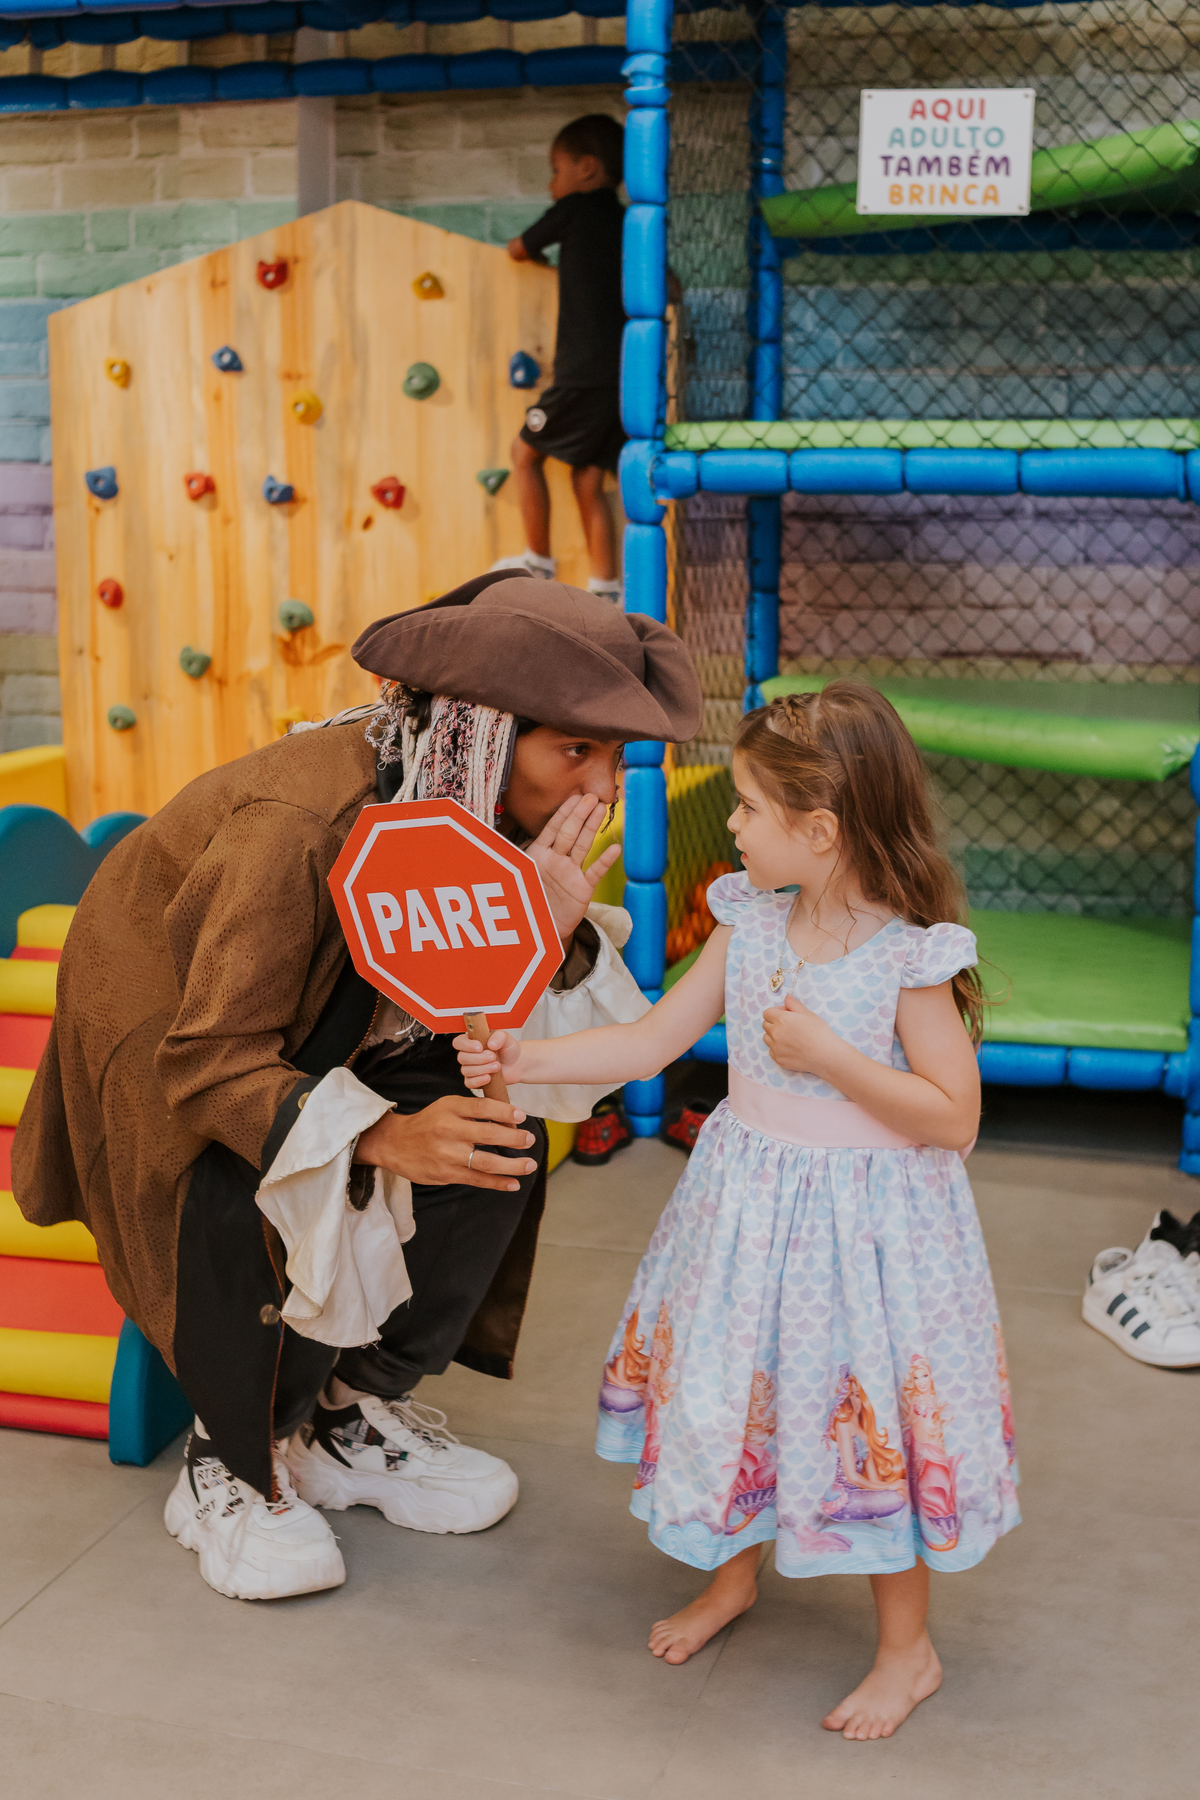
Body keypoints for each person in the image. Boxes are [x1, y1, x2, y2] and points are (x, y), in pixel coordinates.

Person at [12, 571, 702, 1603]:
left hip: (337, 1017)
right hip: (176, 1037)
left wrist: (542, 925)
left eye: (615, 758)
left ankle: (344, 1412)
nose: (601, 788)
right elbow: (209, 1063)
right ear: (488, 731)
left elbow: (477, 1017)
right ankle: (229, 1462)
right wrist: (381, 1139)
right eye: (576, 751)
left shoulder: (470, 802)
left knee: (491, 1133)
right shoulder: (300, 820)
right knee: (232, 1177)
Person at [456, 681, 1020, 1741]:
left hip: (867, 1243)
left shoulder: (908, 954)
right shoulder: (748, 922)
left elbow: (954, 1118)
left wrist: (836, 1062)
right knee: (743, 1396)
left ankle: (910, 1650)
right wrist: (525, 1054)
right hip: (750, 1216)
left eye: (753, 810)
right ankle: (733, 1579)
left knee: (865, 1427)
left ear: (821, 829)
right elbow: (652, 1039)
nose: (737, 825)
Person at [493, 113, 626, 603]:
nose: (552, 183)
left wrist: (535, 255)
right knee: (588, 477)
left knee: (524, 453)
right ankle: (607, 588)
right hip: (622, 377)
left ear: (587, 169)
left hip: (582, 373)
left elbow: (517, 248)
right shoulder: (626, 218)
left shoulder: (575, 210)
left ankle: (537, 562)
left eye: (555, 170)